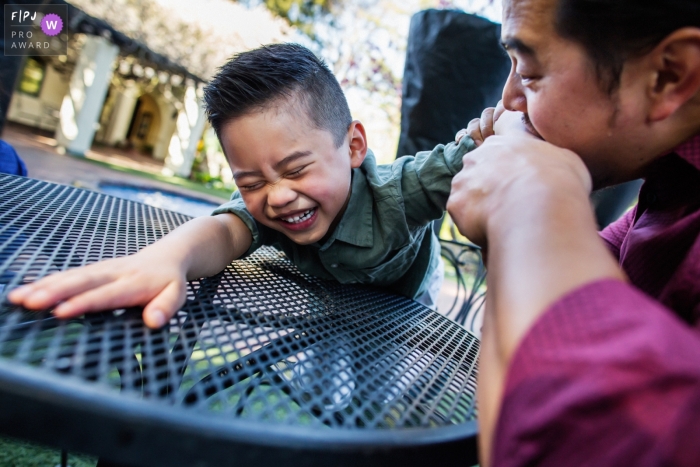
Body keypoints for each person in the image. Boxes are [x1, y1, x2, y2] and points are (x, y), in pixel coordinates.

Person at [8, 43, 476, 328]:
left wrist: (502, 123)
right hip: (335, 293)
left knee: (384, 376)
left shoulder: (402, 190)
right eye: (251, 181)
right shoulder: (273, 208)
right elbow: (225, 230)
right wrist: (168, 258)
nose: (276, 195)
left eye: (295, 170)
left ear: (353, 146)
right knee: (326, 375)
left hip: (406, 292)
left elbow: (468, 155)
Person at [446, 0, 700, 466]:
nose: (508, 102)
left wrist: (526, 191)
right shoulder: (673, 185)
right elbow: (544, 297)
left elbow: (622, 436)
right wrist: (510, 217)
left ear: (668, 75)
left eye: (529, 72)